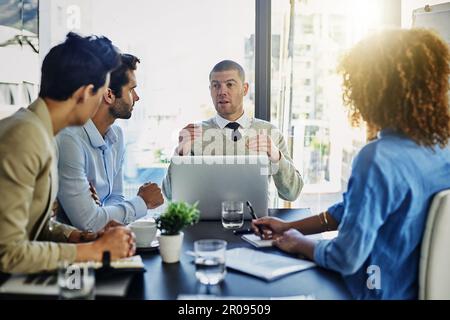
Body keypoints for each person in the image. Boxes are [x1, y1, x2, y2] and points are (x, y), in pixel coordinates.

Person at [252, 28, 450, 300]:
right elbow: (353, 209)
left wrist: (299, 243)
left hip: (373, 290)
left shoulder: (378, 158)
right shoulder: (442, 147)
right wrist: (288, 227)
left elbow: (346, 257)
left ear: (372, 90)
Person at [0, 32, 136, 274]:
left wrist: (78, 236)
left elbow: (31, 226)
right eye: (100, 92)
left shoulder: (42, 132)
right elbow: (8, 253)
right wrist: (93, 251)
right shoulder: (25, 137)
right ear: (84, 93)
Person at [162, 60, 303, 201]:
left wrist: (275, 155)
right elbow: (170, 194)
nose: (222, 92)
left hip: (255, 221)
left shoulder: (269, 132)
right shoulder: (194, 134)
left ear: (245, 89)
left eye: (230, 84)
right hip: (204, 221)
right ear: (210, 90)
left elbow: (292, 193)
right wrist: (181, 153)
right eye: (216, 86)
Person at [56, 53, 164, 232]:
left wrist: (102, 215)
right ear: (109, 95)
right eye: (131, 90)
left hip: (102, 239)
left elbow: (115, 197)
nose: (136, 97)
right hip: (74, 248)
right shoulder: (70, 140)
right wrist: (142, 202)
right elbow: (89, 223)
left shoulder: (117, 135)